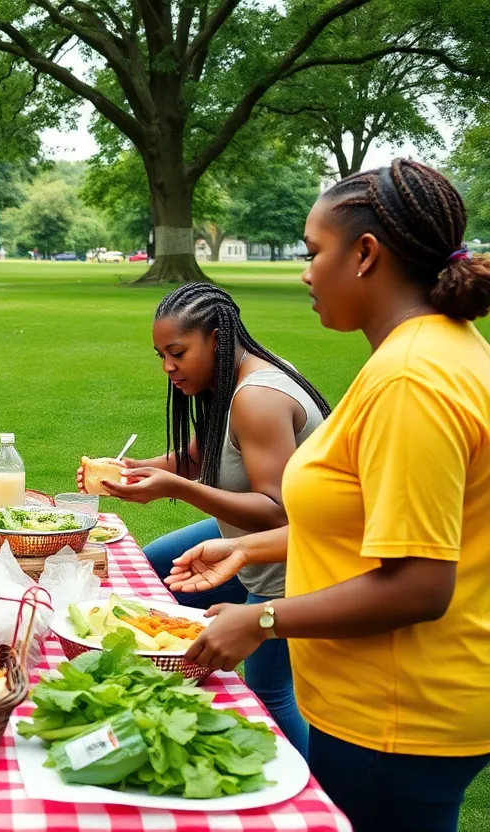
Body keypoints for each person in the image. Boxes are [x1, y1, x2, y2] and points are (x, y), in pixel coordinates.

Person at [167, 160, 490, 832]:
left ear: (366, 254)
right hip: (399, 705)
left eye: (314, 253)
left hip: (398, 713)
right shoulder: (430, 352)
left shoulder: (413, 380)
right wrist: (249, 547)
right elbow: (378, 520)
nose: (305, 272)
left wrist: (259, 620)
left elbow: (420, 584)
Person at [78, 282, 329, 753]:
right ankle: (175, 674)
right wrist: (134, 470)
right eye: (161, 356)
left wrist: (175, 489)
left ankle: (314, 790)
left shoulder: (257, 397)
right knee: (156, 569)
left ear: (216, 338)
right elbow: (204, 455)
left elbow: (278, 511)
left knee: (270, 692)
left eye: (177, 352)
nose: (168, 367)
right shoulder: (230, 375)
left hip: (290, 558)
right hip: (250, 537)